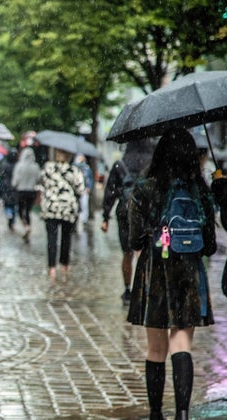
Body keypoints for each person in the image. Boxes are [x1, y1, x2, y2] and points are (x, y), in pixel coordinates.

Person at [126, 128, 216, 420]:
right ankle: (182, 413)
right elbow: (210, 245)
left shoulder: (145, 187)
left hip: (155, 267)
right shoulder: (198, 189)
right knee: (182, 343)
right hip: (188, 270)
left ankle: (155, 414)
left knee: (156, 348)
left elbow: (134, 240)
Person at [101, 139, 153, 305]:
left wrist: (105, 216)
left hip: (125, 211)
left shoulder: (120, 165)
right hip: (146, 211)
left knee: (127, 252)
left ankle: (127, 290)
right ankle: (143, 288)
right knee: (142, 252)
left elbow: (111, 191)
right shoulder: (152, 163)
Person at [38, 148, 84, 278]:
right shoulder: (74, 170)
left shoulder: (48, 167)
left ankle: (51, 268)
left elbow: (41, 182)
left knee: (51, 238)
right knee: (66, 238)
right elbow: (80, 189)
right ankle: (64, 265)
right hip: (67, 209)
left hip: (51, 207)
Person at [11, 146, 41, 242]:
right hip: (31, 192)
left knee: (20, 210)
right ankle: (28, 226)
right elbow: (38, 179)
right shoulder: (36, 166)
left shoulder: (19, 165)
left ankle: (26, 226)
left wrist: (14, 185)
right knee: (28, 211)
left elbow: (15, 180)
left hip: (21, 191)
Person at [0, 149, 18, 230]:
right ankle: (12, 219)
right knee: (13, 204)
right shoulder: (17, 165)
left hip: (7, 187)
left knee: (8, 203)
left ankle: (9, 215)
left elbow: (1, 175)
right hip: (14, 187)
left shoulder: (4, 165)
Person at [74, 154, 94, 230]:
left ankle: (84, 219)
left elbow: (90, 179)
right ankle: (77, 218)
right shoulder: (75, 168)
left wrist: (89, 187)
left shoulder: (87, 168)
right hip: (77, 189)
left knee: (84, 205)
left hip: (85, 189)